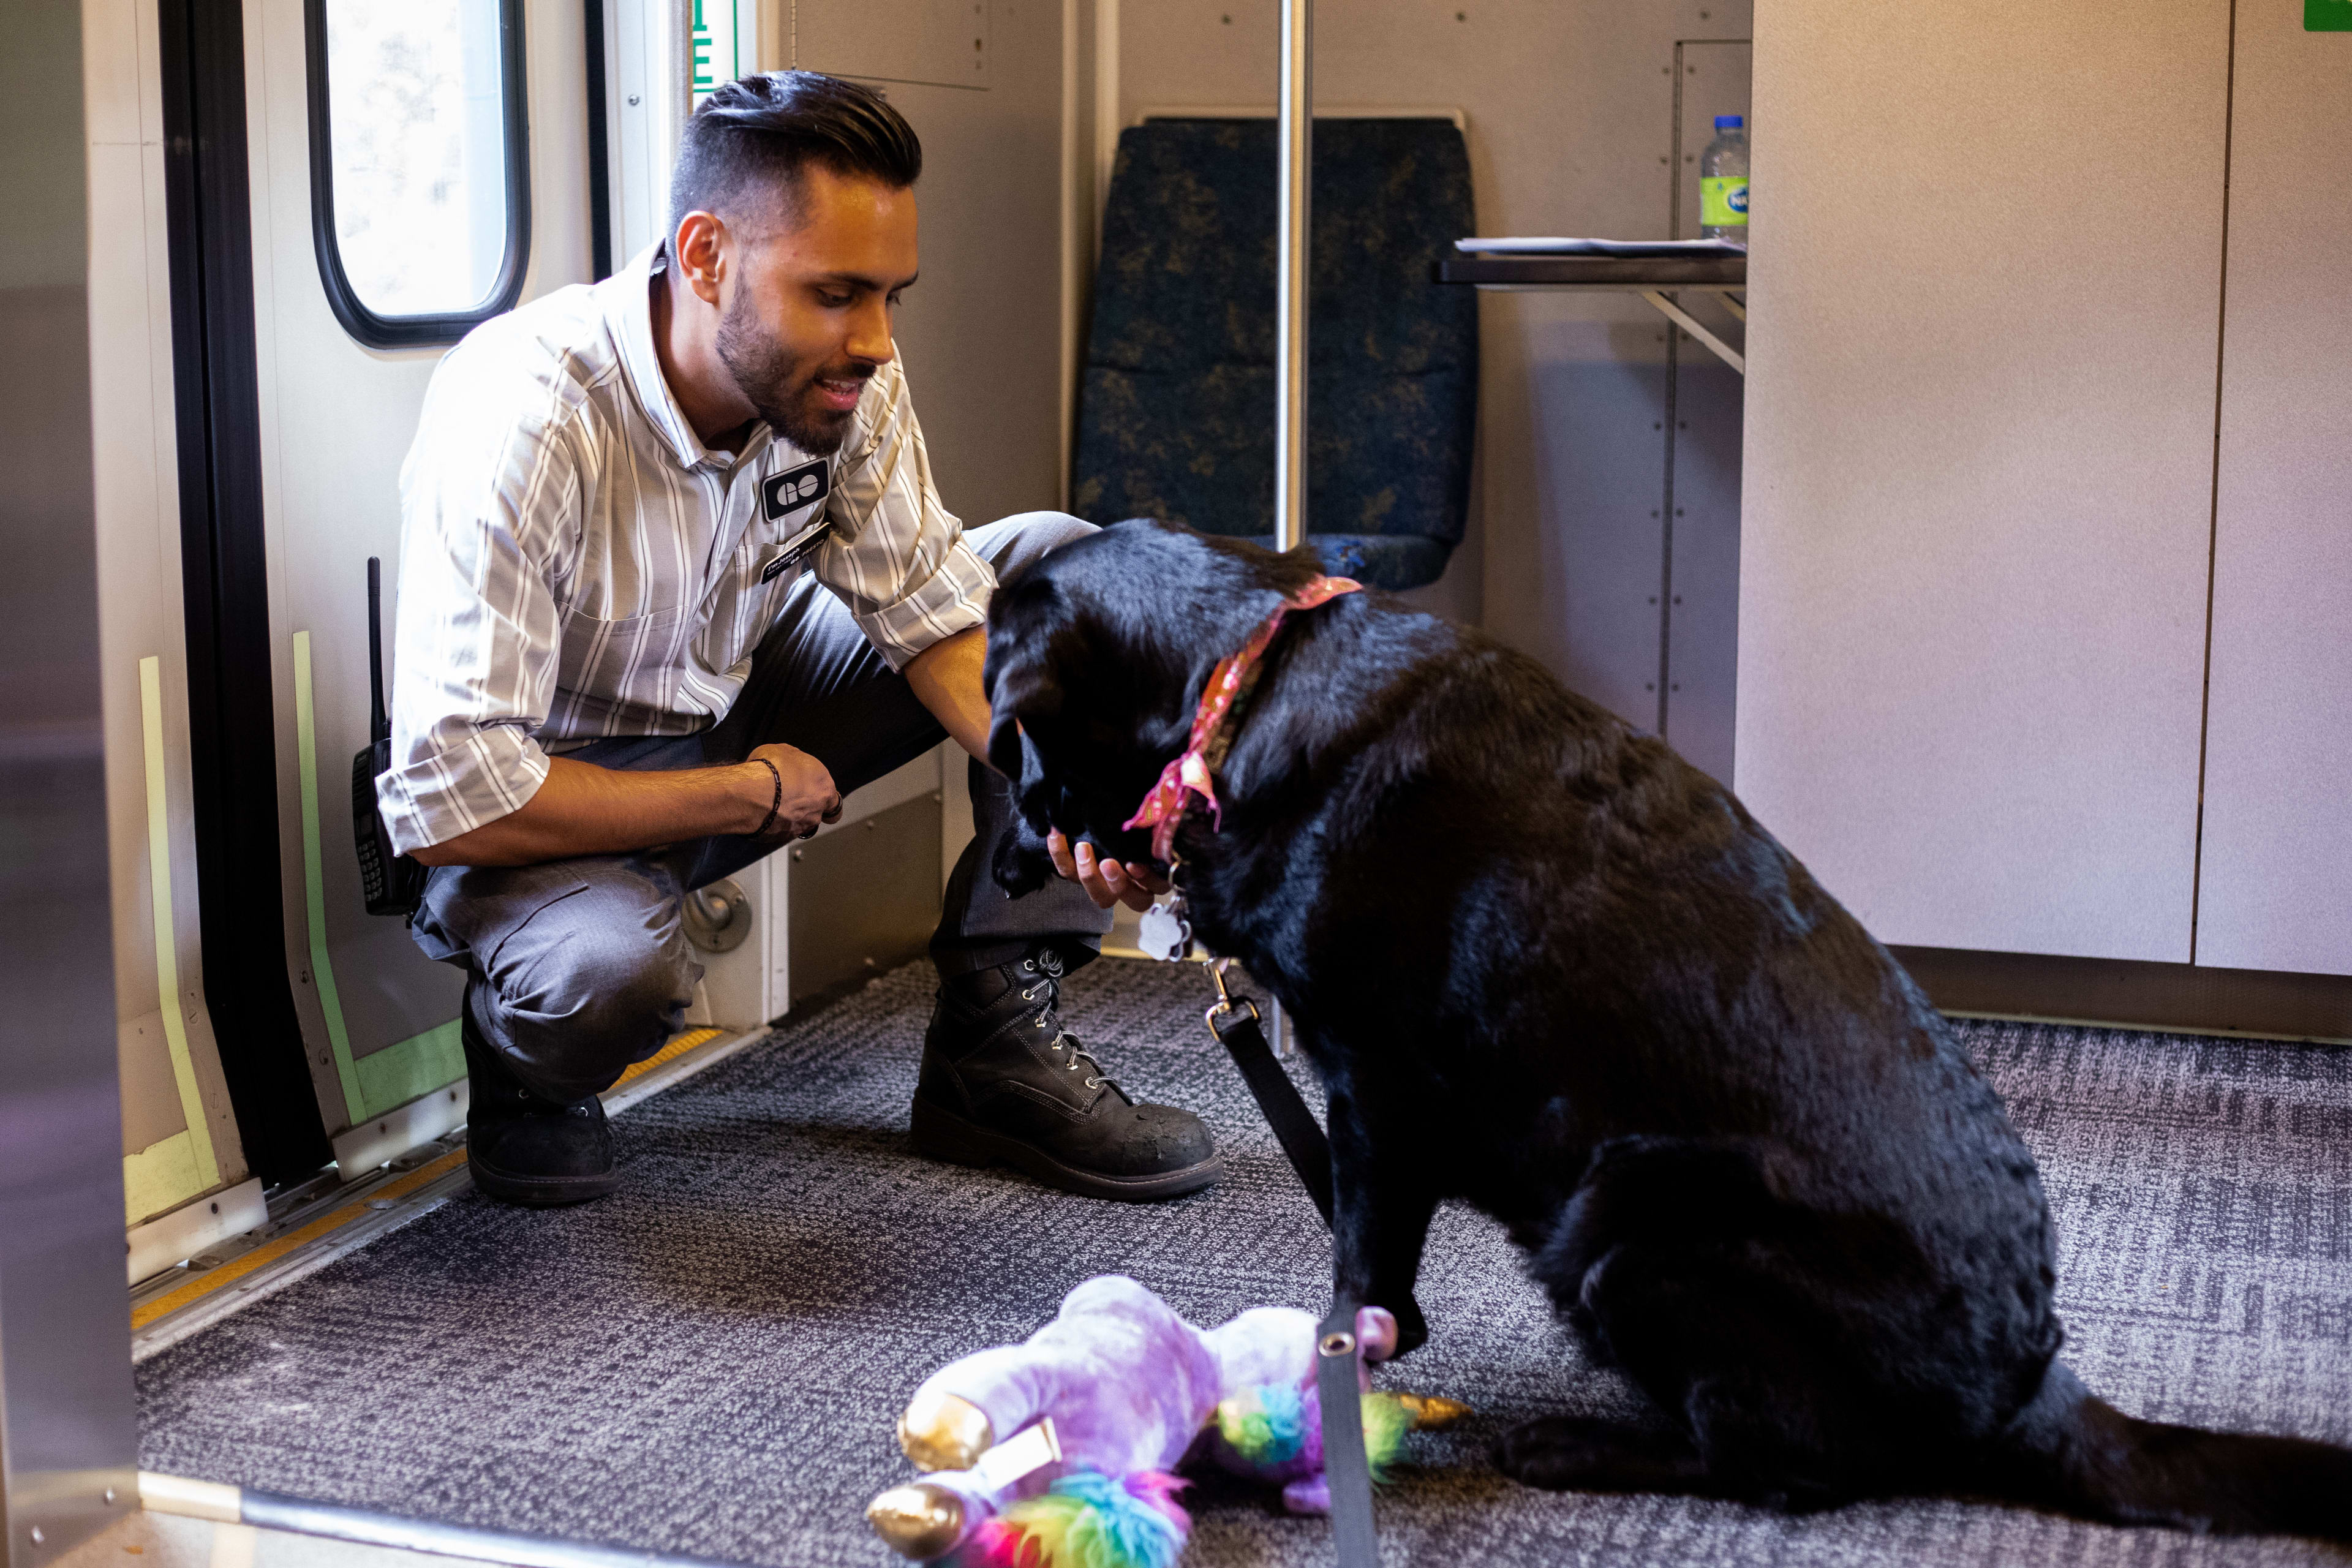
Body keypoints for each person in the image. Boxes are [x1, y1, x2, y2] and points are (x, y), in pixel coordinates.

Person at [381, 71, 1218, 1209]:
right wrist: (744, 792)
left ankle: (993, 1042)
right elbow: (457, 802)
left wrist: (1075, 795)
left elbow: (935, 614)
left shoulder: (841, 378)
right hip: (542, 805)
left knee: (1060, 574)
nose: (873, 341)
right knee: (606, 980)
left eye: (891, 298)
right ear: (708, 255)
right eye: (836, 294)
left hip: (738, 701)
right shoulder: (528, 416)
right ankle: (523, 1060)